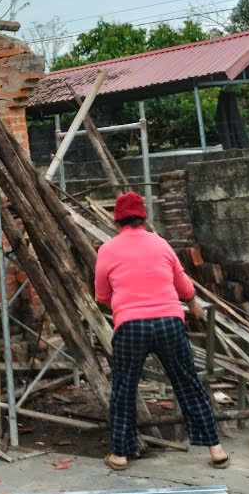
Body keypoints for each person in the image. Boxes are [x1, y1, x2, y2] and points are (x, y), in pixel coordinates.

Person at [94, 191, 230, 471]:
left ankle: (120, 454)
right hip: (169, 322)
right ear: (144, 217)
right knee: (188, 383)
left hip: (131, 326)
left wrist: (125, 303)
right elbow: (183, 285)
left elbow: (101, 295)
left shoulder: (107, 250)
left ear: (116, 219)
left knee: (124, 388)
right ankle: (215, 449)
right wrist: (192, 303)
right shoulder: (162, 245)